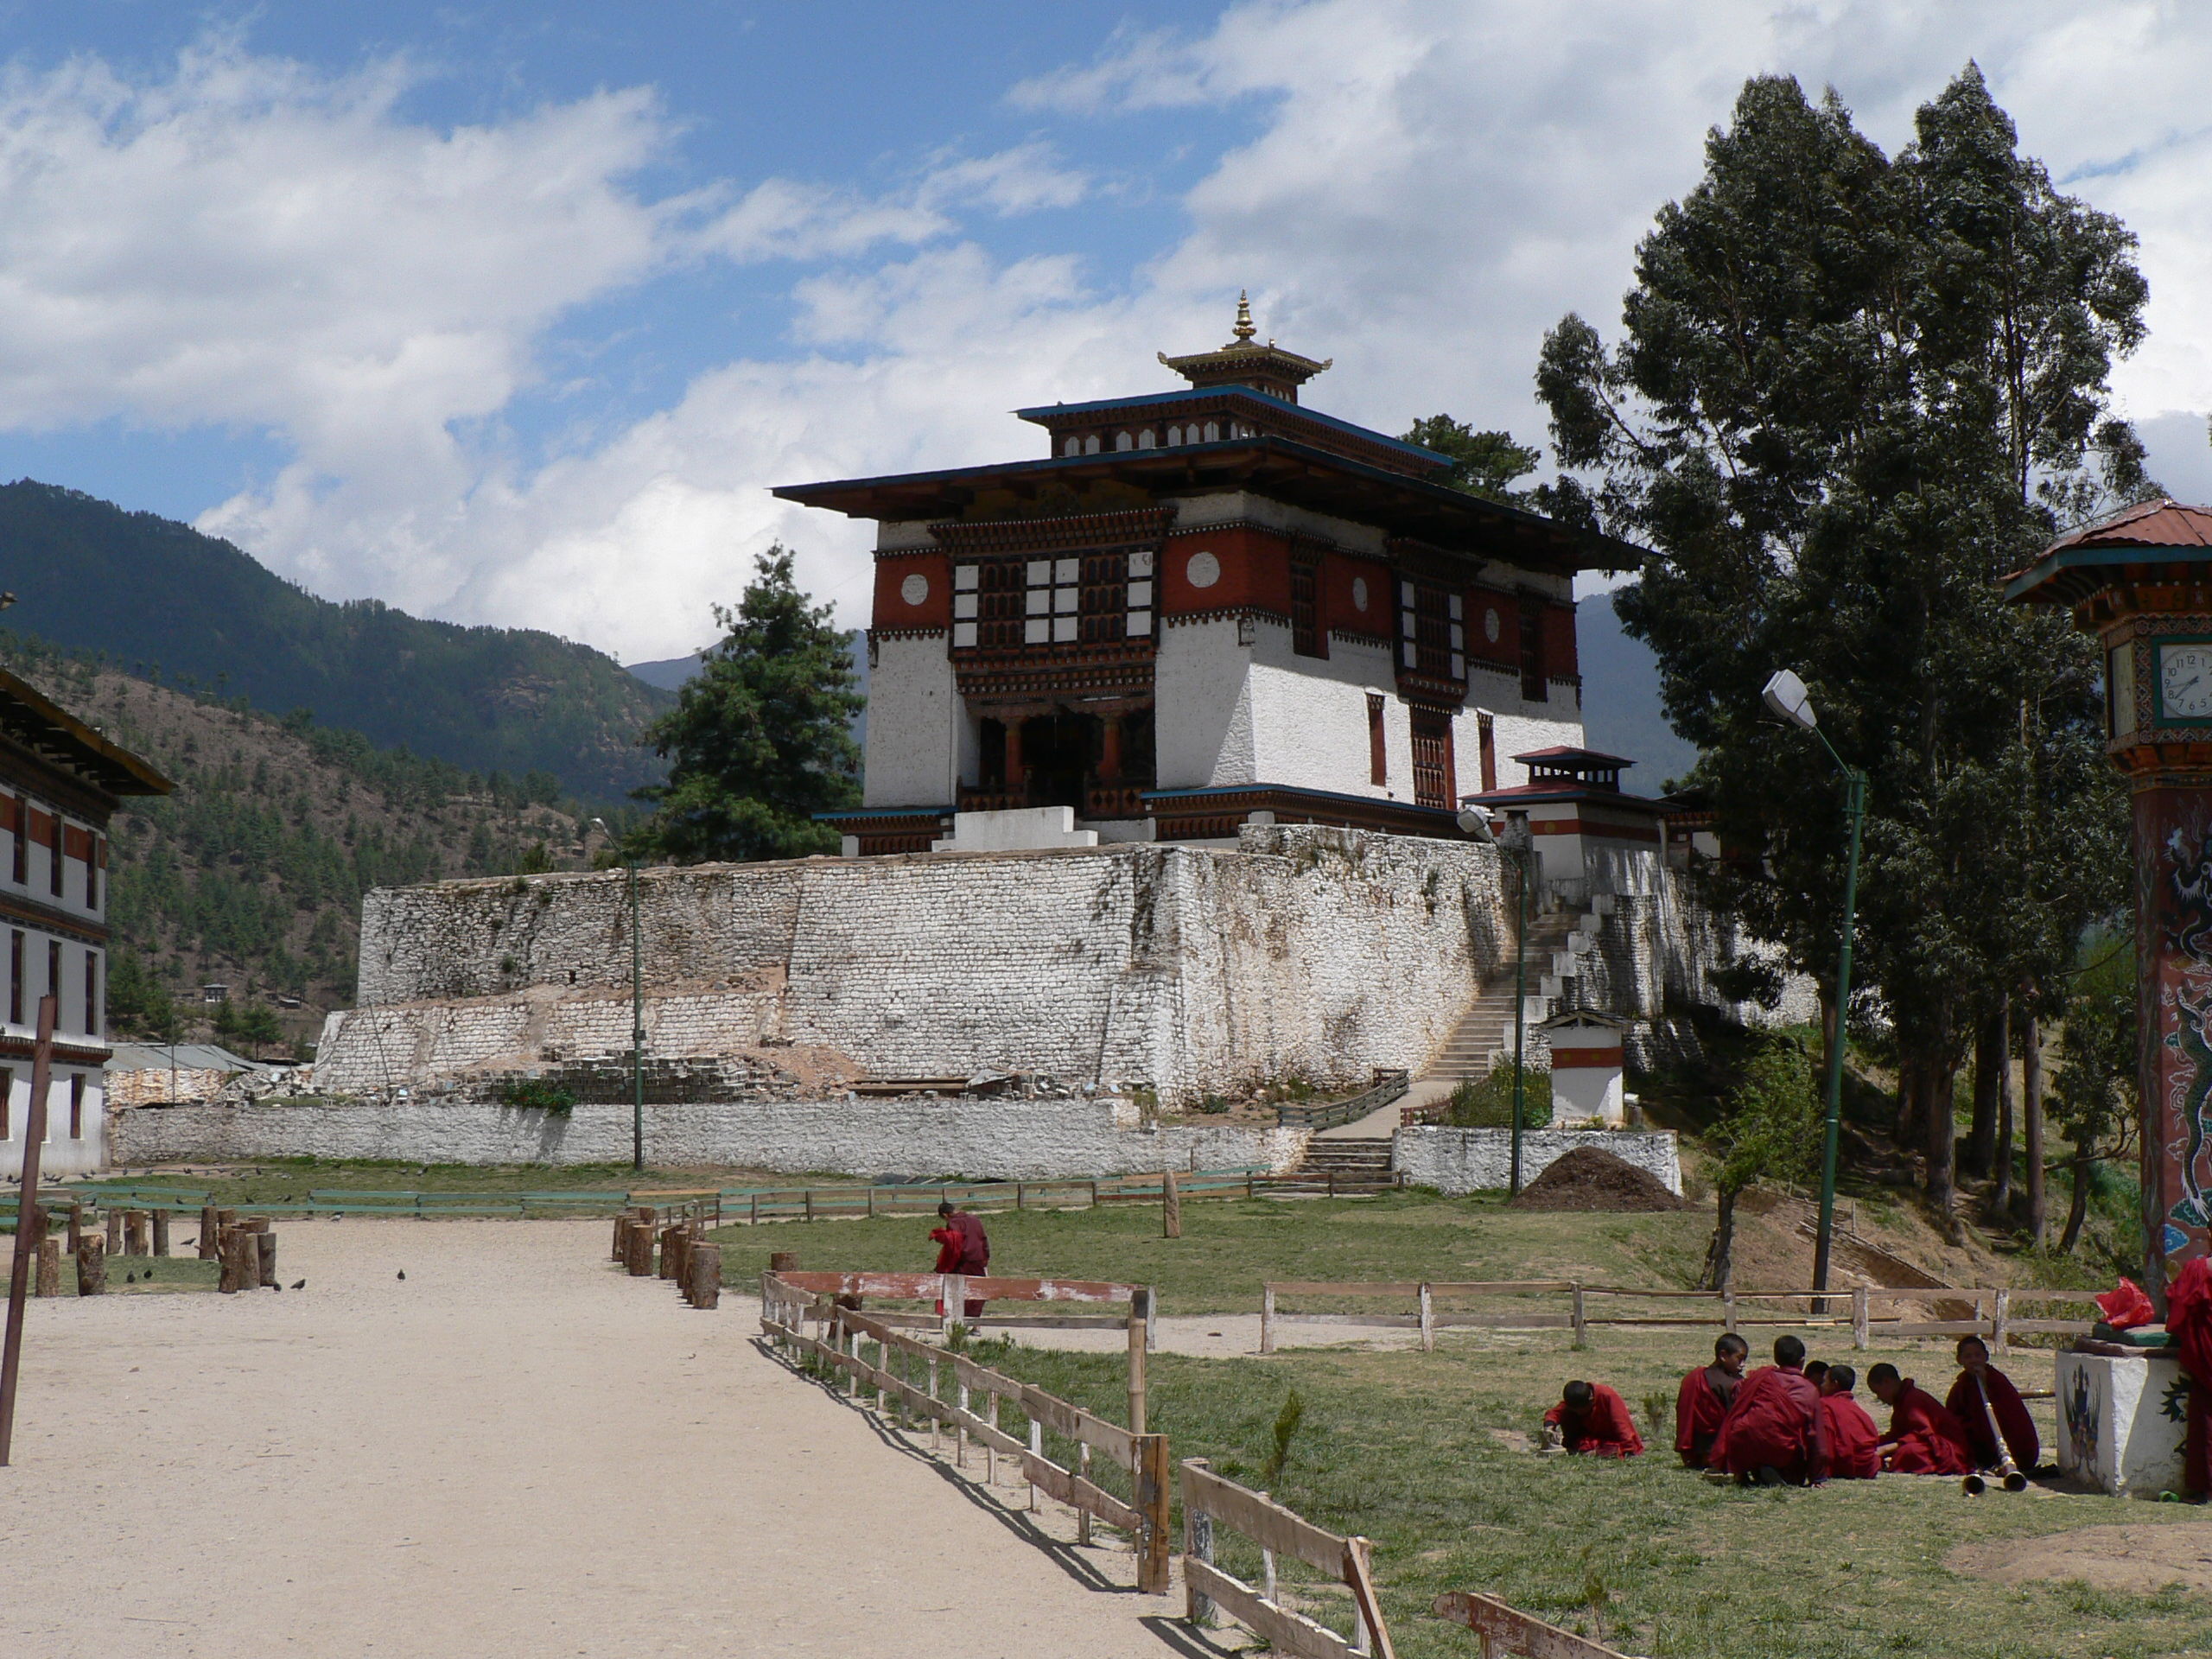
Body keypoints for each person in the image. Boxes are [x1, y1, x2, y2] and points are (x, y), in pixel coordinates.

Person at [1709, 1334, 1828, 1485]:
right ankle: (1780, 1475)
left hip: (1743, 1444)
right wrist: (1817, 1477)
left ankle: (1744, 1473)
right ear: (1802, 1361)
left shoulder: (1759, 1378)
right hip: (1780, 1449)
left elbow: (1738, 1394)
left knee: (1748, 1430)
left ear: (1776, 1358)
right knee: (1793, 1464)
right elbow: (1815, 1436)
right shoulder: (1808, 1390)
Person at [1944, 1336, 2039, 1474]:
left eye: (1978, 1355)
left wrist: (1986, 1384)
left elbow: (2014, 1419)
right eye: (1968, 1357)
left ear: (1986, 1357)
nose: (1974, 1360)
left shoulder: (1997, 1380)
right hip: (1984, 1450)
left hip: (2015, 1450)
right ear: (1959, 1360)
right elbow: (1951, 1417)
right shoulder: (1962, 1385)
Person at [1866, 1363, 1974, 1475]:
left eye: (1877, 1392)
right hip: (1927, 1444)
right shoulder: (1902, 1400)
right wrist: (1874, 1444)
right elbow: (1897, 1434)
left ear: (1887, 1382)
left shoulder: (1913, 1399)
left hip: (1949, 1448)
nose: (1879, 1397)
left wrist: (1886, 1449)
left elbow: (1923, 1433)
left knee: (1908, 1452)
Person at [2168, 1255, 2212, 1501]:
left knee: (2206, 1419)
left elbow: (2178, 1302)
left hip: (2206, 1354)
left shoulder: (2197, 1269)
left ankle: (2207, 1486)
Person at [1675, 1333, 1749, 1468]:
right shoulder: (1731, 1384)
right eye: (1740, 1359)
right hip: (1720, 1449)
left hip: (1695, 1451)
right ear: (1723, 1356)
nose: (1743, 1365)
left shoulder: (1693, 1377)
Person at [1543, 1380, 1645, 1457]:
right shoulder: (1575, 1401)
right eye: (1575, 1410)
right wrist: (1549, 1427)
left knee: (1614, 1448)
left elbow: (1624, 1429)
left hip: (1611, 1439)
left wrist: (1598, 1453)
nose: (1579, 1413)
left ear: (1591, 1400)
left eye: (1581, 1410)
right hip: (1590, 1438)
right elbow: (1555, 1412)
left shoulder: (1607, 1397)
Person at [1818, 1364, 1881, 1480]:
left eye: (1824, 1381)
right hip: (1868, 1465)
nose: (1821, 1386)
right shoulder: (1857, 1409)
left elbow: (1828, 1440)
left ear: (1834, 1384)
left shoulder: (1825, 1405)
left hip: (1848, 1464)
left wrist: (1822, 1471)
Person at [936, 1200, 988, 1319]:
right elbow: (984, 1239)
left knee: (956, 1290)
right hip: (979, 1258)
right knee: (978, 1289)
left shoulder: (954, 1223)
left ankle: (959, 1320)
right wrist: (985, 1258)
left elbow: (954, 1244)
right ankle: (976, 1324)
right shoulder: (975, 1219)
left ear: (945, 1215)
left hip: (963, 1261)